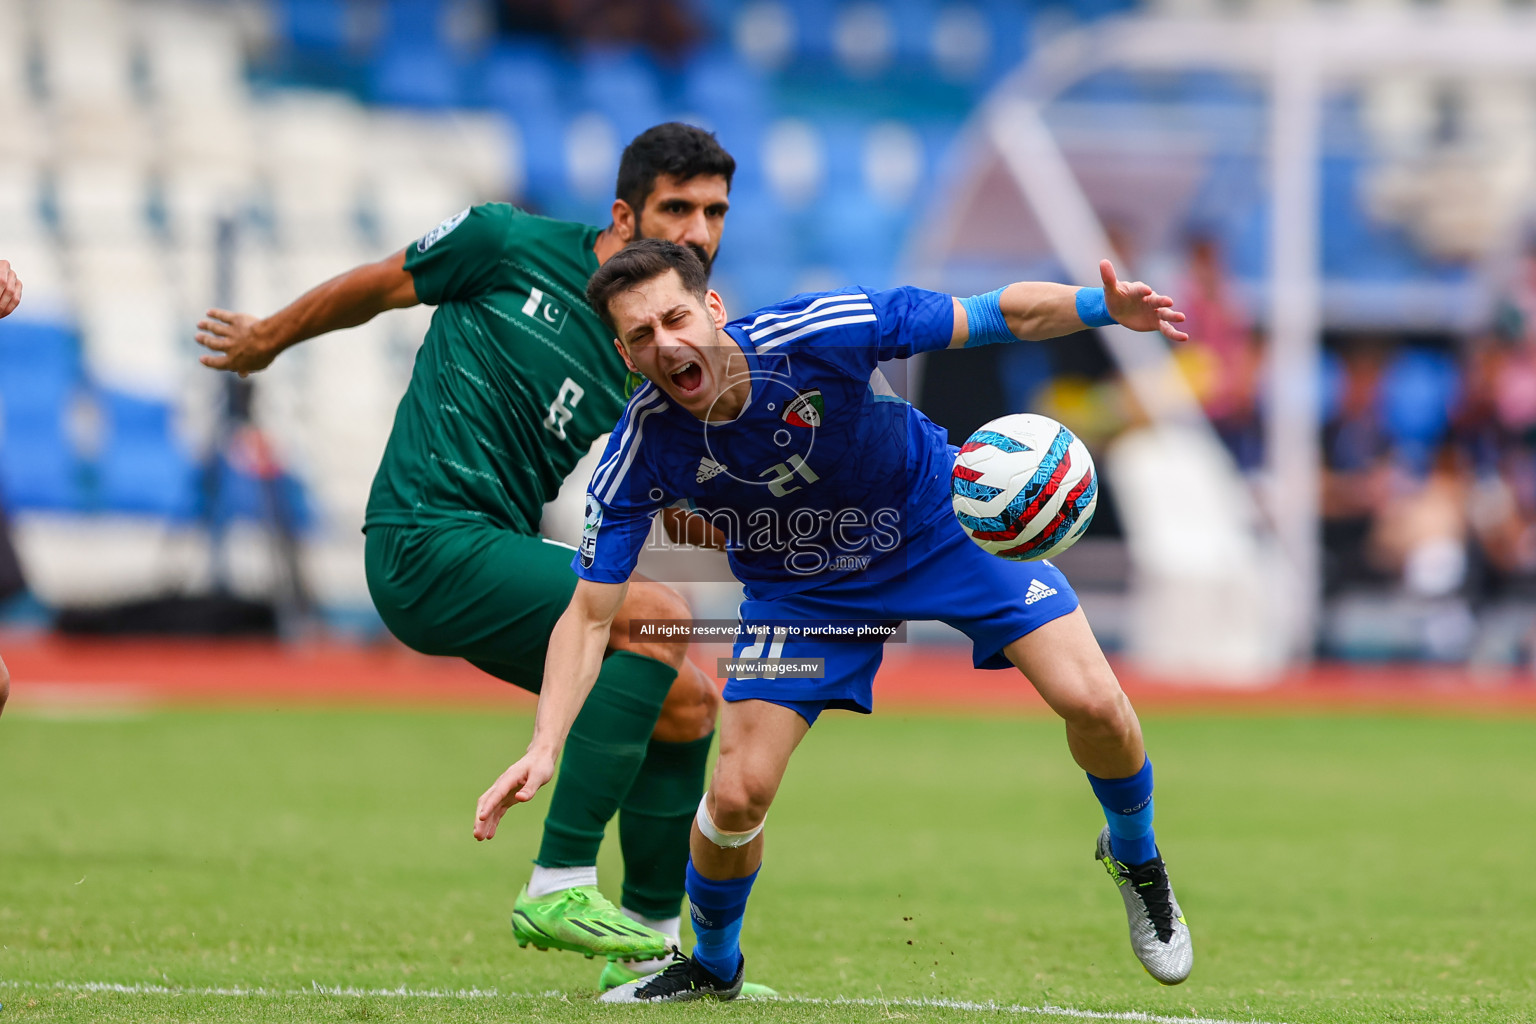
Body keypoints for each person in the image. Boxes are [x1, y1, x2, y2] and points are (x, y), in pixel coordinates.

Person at [472, 239, 1195, 1002]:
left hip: (936, 526)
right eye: (643, 336)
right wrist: (545, 743)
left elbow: (993, 313)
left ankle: (1136, 857)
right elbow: (590, 616)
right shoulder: (641, 448)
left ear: (713, 308)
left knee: (1094, 703)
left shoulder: (823, 331)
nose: (668, 343)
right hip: (801, 597)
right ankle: (713, 967)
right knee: (735, 798)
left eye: (677, 317)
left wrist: (1099, 308)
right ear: (625, 353)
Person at [196, 125, 767, 992]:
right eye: (677, 208)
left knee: (686, 704)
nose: (698, 231)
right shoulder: (505, 243)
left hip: (491, 543)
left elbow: (703, 487)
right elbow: (379, 285)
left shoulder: (653, 348)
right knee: (656, 616)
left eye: (715, 212)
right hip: (424, 535)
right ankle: (560, 880)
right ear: (625, 213)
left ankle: (649, 963)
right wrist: (269, 338)